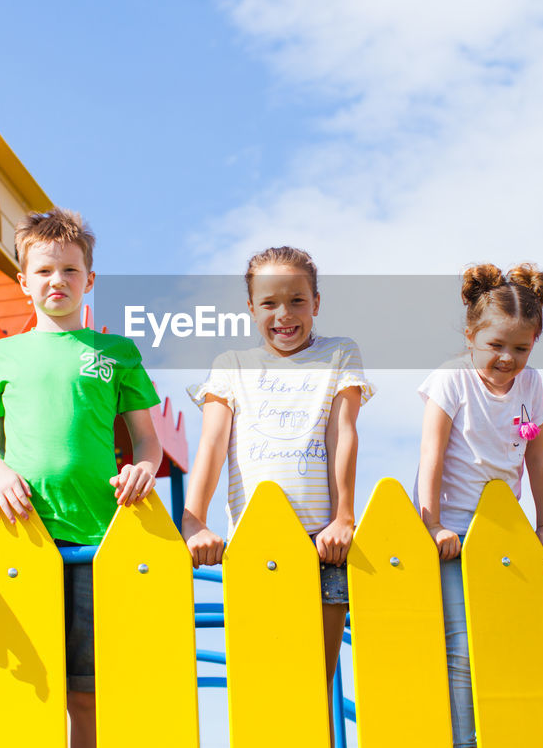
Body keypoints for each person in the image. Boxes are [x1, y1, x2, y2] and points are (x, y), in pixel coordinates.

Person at [0, 208, 162, 748]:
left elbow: (146, 441)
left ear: (90, 279)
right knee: (29, 686)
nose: (56, 281)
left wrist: (144, 469)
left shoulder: (117, 353)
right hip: (23, 538)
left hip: (96, 538)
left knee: (86, 689)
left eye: (70, 271)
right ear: (23, 280)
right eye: (43, 271)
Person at [182, 246, 373, 732]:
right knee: (264, 683)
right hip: (253, 547)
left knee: (313, 686)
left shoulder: (339, 353)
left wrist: (344, 517)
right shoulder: (232, 364)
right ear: (250, 308)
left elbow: (342, 433)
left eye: (296, 301)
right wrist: (194, 520)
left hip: (319, 546)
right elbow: (211, 444)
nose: (283, 314)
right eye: (268, 303)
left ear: (315, 302)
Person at [415, 263, 543, 748]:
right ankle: (464, 741)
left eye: (520, 348)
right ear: (471, 333)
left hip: (504, 531)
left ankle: (514, 733)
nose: (507, 358)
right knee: (460, 645)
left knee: (510, 634)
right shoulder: (451, 379)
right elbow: (431, 455)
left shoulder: (530, 384)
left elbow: (539, 459)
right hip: (456, 530)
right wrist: (432, 523)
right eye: (495, 345)